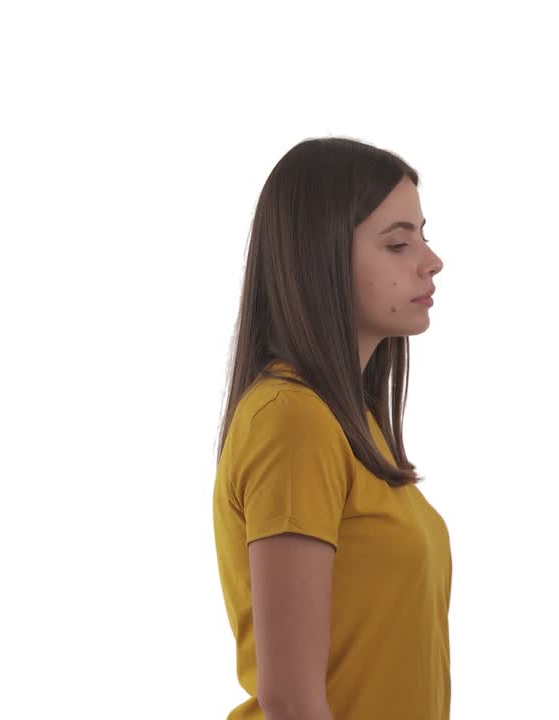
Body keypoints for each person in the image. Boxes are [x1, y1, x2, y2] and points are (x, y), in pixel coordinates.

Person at [213, 138, 449, 720]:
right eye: (398, 243)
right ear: (318, 256)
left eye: (422, 234)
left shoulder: (348, 424)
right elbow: (291, 701)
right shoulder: (292, 422)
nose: (431, 260)